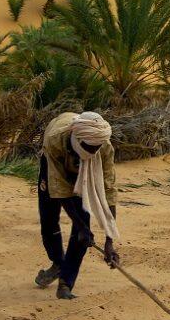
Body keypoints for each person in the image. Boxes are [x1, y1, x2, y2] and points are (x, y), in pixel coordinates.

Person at [35, 111, 120, 299]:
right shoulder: (55, 141)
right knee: (49, 219)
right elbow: (60, 191)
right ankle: (58, 262)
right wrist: (81, 227)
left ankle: (65, 283)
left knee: (82, 232)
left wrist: (109, 241)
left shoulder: (103, 147)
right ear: (78, 139)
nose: (93, 152)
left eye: (96, 148)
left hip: (87, 172)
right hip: (53, 164)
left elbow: (108, 192)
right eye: (89, 148)